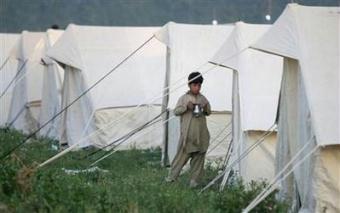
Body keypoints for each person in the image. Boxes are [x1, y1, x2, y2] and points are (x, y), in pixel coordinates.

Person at [165, 72, 211, 188]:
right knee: (180, 159)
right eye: (194, 85)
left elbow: (208, 111)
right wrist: (186, 107)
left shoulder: (202, 98)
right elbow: (176, 111)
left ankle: (194, 184)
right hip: (187, 135)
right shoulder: (184, 98)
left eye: (199, 85)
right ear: (189, 85)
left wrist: (204, 107)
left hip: (200, 135)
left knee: (198, 161)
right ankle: (171, 179)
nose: (197, 88)